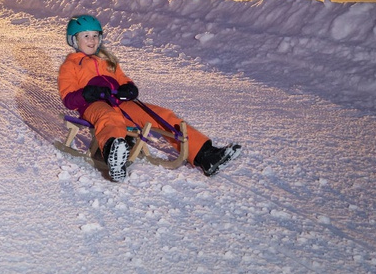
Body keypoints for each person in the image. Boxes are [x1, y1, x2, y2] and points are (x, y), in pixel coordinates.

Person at [58, 14, 241, 181]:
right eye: (86, 36)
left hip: (121, 103)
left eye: (95, 35)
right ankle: (114, 153)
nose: (92, 40)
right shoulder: (70, 66)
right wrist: (87, 93)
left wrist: (129, 89)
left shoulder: (108, 62)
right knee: (109, 118)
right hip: (94, 106)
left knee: (160, 115)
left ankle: (205, 155)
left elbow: (123, 80)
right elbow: (68, 98)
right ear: (74, 40)